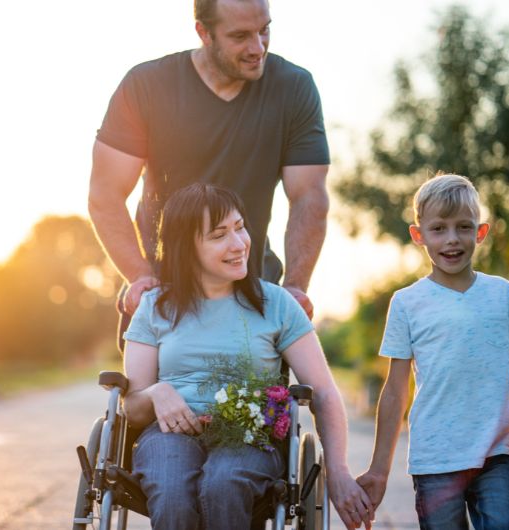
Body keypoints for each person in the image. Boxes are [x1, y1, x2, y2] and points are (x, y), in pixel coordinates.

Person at [122, 183, 373, 530]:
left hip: (251, 436)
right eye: (219, 235)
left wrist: (339, 472)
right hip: (168, 436)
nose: (239, 244)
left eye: (240, 227)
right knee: (172, 492)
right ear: (186, 248)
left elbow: (324, 392)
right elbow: (132, 409)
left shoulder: (277, 304)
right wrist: (155, 393)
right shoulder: (154, 307)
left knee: (224, 485)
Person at [88, 0, 330, 350]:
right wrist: (140, 276)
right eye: (240, 36)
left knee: (261, 390)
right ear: (204, 32)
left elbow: (308, 195)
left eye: (264, 30)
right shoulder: (146, 86)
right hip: (163, 298)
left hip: (255, 298)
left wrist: (295, 287)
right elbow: (105, 194)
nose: (257, 48)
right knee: (151, 388)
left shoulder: (293, 87)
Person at [356, 174, 509, 529]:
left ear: (481, 231)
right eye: (438, 229)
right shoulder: (406, 303)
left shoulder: (501, 293)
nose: (452, 239)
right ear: (418, 235)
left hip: (496, 454)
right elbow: (395, 390)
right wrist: (379, 471)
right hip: (435, 459)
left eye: (463, 227)